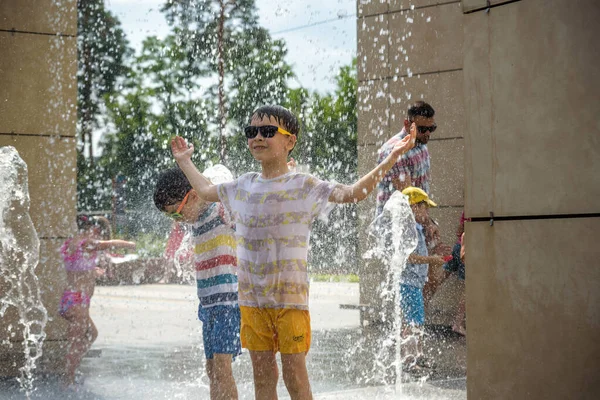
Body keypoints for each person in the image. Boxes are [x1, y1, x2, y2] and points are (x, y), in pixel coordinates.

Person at [169, 104, 416, 400]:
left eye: (268, 131)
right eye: (252, 132)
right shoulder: (243, 185)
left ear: (290, 141)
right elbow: (208, 191)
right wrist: (184, 162)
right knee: (263, 376)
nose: (258, 137)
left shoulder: (304, 185)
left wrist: (391, 158)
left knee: (294, 375)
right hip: (252, 300)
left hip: (290, 301)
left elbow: (354, 193)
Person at [153, 165, 240, 400]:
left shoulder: (222, 210)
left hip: (229, 303)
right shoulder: (195, 221)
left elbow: (231, 189)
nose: (177, 220)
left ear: (191, 196)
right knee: (211, 369)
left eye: (176, 213)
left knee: (222, 369)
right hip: (209, 305)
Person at [375, 101, 451, 307]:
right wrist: (428, 225)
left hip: (417, 220)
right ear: (407, 123)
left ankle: (414, 325)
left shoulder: (422, 146)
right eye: (423, 129)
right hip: (397, 226)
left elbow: (421, 194)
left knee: (431, 276)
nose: (427, 134)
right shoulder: (395, 150)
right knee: (410, 281)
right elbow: (409, 196)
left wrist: (430, 221)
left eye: (431, 128)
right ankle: (408, 329)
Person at [60, 215, 136, 387]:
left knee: (91, 335)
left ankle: (71, 372)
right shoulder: (85, 242)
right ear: (89, 229)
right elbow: (107, 245)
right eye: (96, 231)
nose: (97, 235)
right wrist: (129, 244)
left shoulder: (74, 243)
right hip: (77, 301)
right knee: (76, 343)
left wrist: (92, 270)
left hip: (73, 300)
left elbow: (75, 267)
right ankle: (67, 382)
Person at [399, 187, 445, 375]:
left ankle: (418, 355)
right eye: (425, 208)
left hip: (414, 283)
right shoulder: (408, 229)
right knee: (411, 323)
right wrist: (431, 260)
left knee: (416, 321)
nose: (427, 213)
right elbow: (408, 257)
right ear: (414, 207)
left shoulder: (417, 228)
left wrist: (433, 250)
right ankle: (408, 360)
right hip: (408, 283)